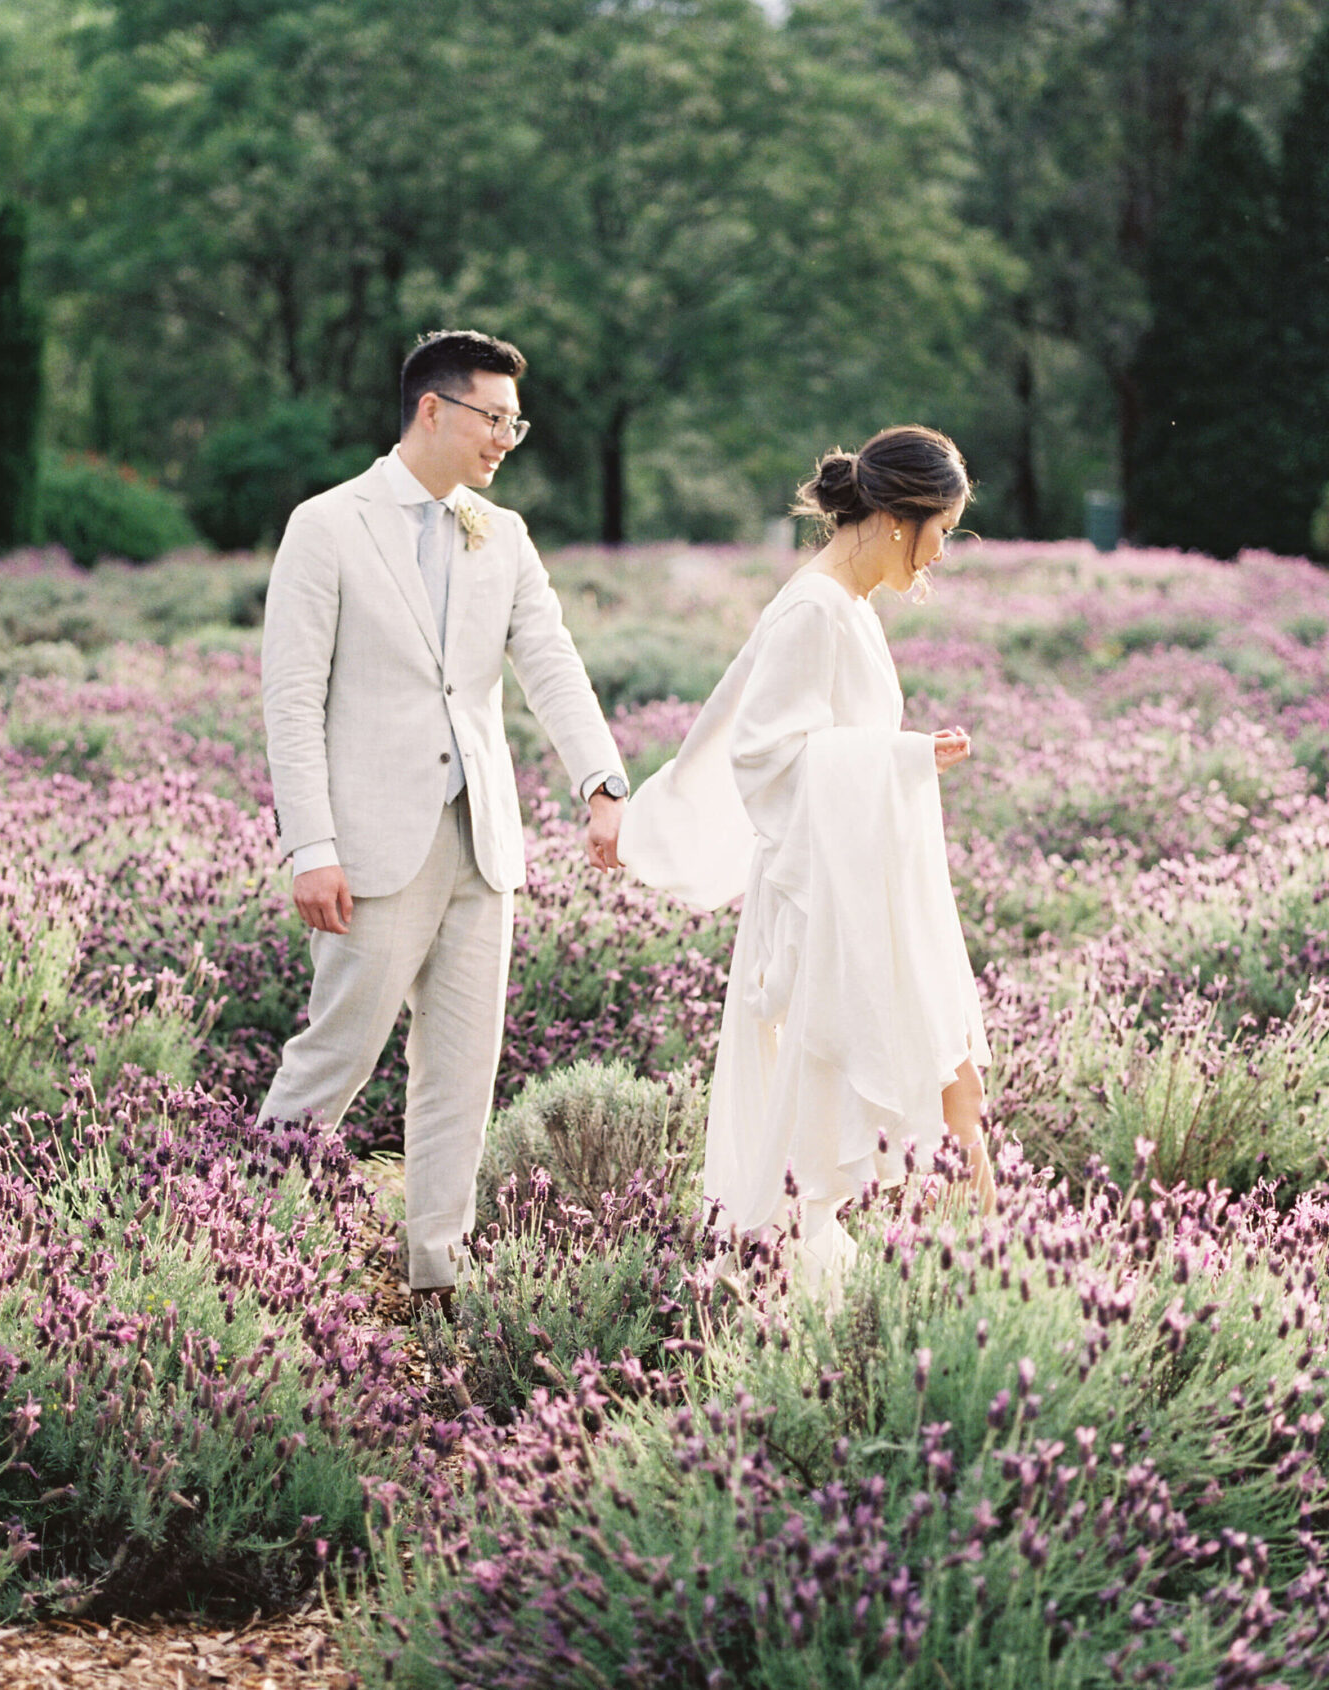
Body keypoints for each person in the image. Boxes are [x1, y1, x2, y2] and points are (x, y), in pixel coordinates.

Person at [258, 328, 628, 1306]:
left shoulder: (499, 533)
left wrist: (601, 780)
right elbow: (291, 700)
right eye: (492, 417)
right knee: (333, 1057)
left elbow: (549, 661)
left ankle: (439, 1268)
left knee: (462, 1068)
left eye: (516, 421)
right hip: (369, 846)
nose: (507, 436)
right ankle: (241, 1237)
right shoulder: (327, 525)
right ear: (433, 408)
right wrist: (312, 845)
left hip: (483, 843)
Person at [620, 425, 993, 1286]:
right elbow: (765, 757)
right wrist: (897, 757)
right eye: (942, 532)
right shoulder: (813, 606)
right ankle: (789, 1277)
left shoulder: (847, 605)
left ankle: (934, 1273)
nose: (939, 556)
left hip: (860, 887)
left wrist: (901, 757)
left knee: (946, 1078)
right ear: (900, 519)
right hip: (820, 905)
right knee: (822, 1105)